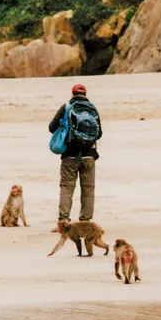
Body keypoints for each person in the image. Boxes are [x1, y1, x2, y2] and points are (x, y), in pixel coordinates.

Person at [49, 84, 102, 224]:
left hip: (69, 155)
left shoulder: (67, 107)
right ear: (85, 94)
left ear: (72, 94)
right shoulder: (92, 109)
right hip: (89, 155)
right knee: (88, 189)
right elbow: (99, 133)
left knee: (67, 188)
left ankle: (63, 221)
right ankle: (85, 221)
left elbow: (51, 127)